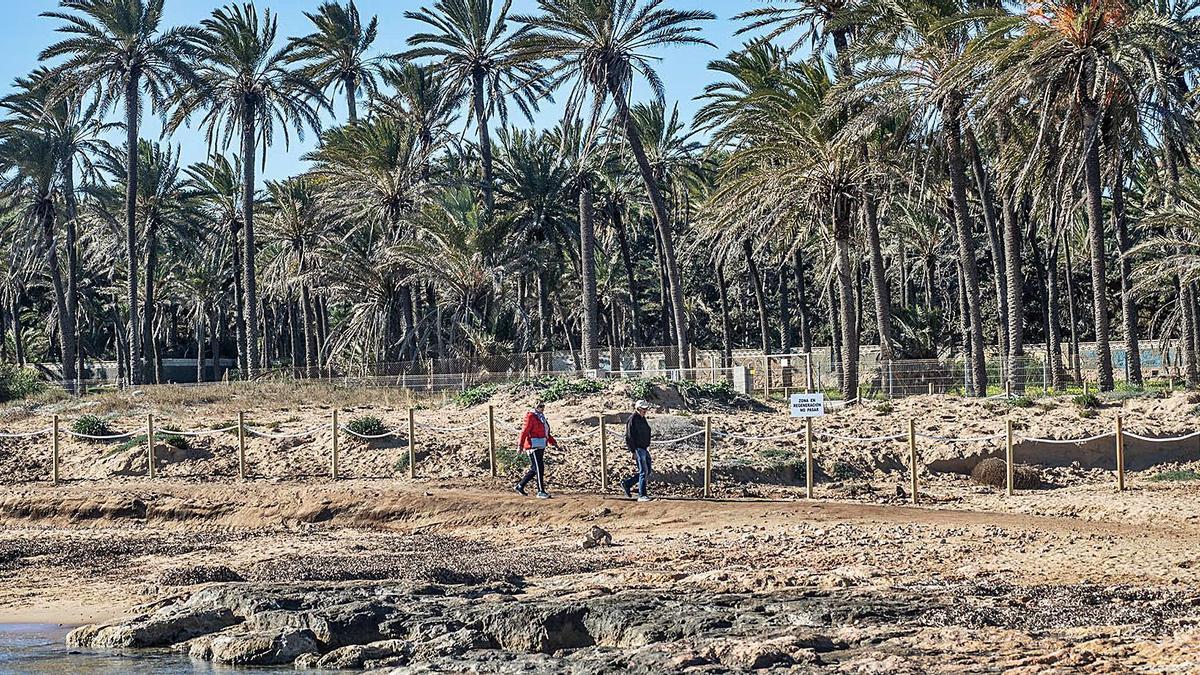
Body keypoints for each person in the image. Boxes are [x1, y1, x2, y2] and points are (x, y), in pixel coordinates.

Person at [515, 399, 557, 499]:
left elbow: (546, 432)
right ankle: (540, 491)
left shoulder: (541, 417)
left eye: (543, 406)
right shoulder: (530, 416)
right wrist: (520, 445)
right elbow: (524, 431)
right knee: (539, 467)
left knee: (535, 468)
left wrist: (553, 442)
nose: (542, 408)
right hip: (532, 445)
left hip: (541, 444)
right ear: (535, 407)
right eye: (540, 406)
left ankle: (520, 485)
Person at [621, 400, 654, 502]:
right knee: (644, 471)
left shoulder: (642, 419)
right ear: (638, 409)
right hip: (638, 448)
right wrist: (633, 451)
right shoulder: (633, 419)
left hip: (644, 448)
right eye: (643, 409)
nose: (645, 411)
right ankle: (642, 494)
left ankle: (628, 483)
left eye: (646, 409)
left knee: (647, 470)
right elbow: (629, 436)